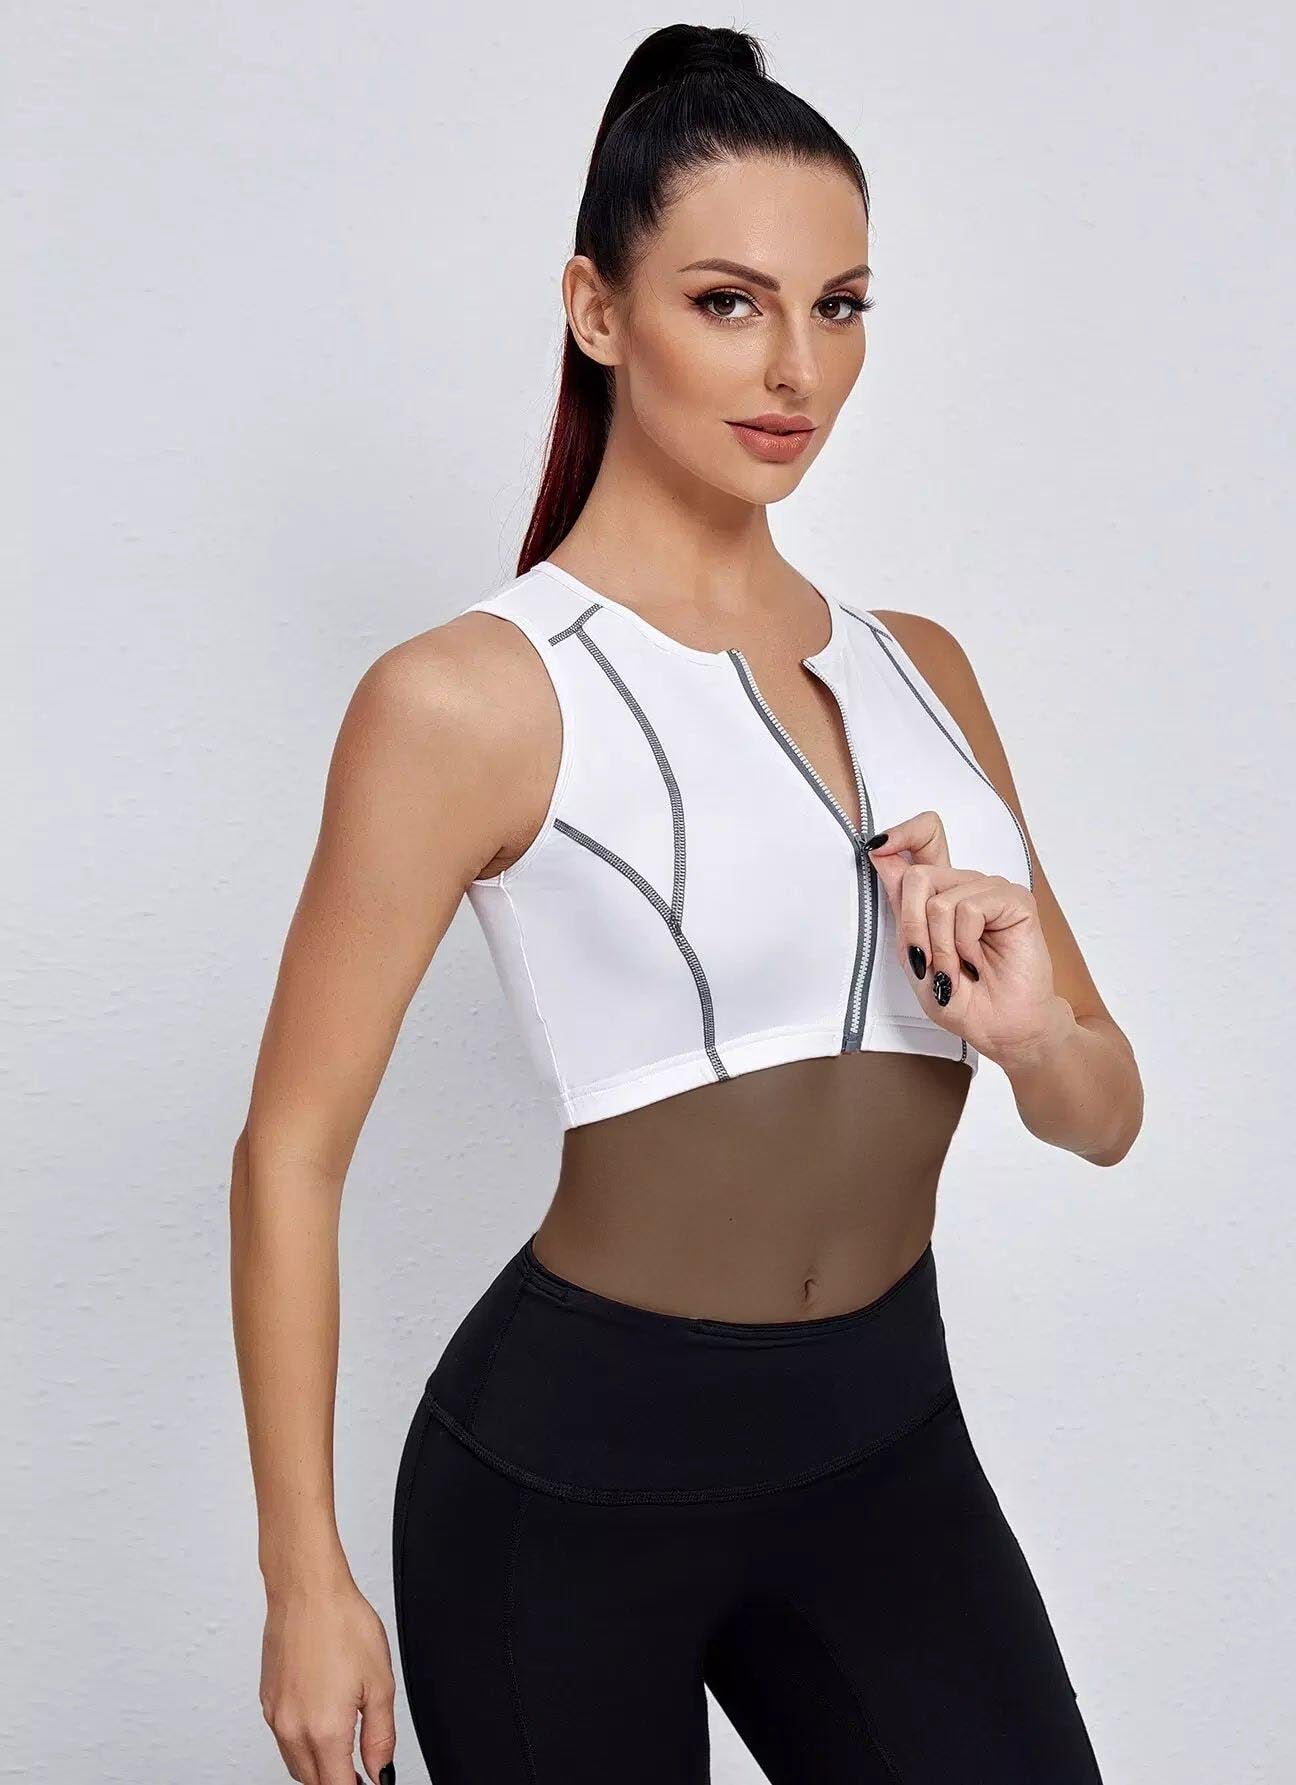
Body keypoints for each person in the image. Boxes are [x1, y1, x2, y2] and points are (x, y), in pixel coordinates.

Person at [230, 22, 1143, 1785]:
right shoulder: (471, 698)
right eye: (729, 303)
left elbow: (1105, 1114)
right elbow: (290, 1149)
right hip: (566, 1489)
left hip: (887, 1442)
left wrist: (1031, 1035)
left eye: (841, 306)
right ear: (597, 309)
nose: (797, 366)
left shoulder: (922, 668)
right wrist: (303, 1577)